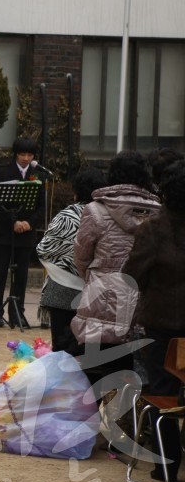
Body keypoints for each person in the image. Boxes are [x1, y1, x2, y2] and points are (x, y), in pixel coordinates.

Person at [71, 151, 161, 380]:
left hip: (101, 297)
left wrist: (96, 277)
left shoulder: (95, 210)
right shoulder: (159, 212)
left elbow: (81, 256)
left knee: (93, 373)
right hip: (142, 299)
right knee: (136, 373)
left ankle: (94, 414)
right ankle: (127, 414)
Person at [122, 161, 185, 482]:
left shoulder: (153, 230)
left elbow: (131, 275)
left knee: (163, 392)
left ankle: (166, 466)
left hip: (162, 322)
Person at [35, 168, 107, 353]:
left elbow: (44, 249)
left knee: (61, 350)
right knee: (89, 351)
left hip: (60, 289)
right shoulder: (109, 216)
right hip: (96, 293)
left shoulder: (67, 214)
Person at [0, 137, 47, 328]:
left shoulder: (38, 174)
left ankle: (17, 312)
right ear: (16, 154)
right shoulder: (2, 171)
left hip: (26, 232)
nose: (26, 158)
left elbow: (41, 206)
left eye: (29, 155)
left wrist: (29, 223)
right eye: (22, 154)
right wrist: (13, 222)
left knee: (21, 275)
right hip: (5, 231)